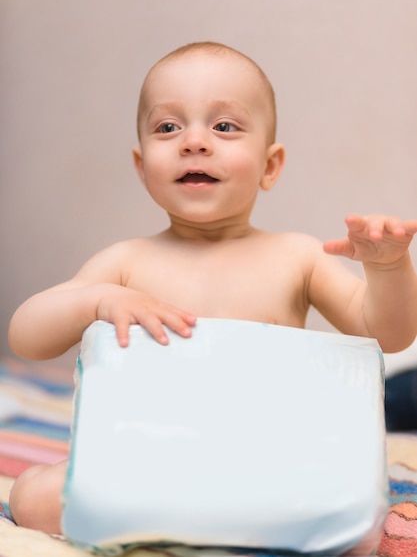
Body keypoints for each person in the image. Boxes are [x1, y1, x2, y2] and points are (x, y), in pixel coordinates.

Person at [8, 41, 417, 534]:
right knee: (31, 495)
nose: (194, 142)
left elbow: (388, 334)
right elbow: (26, 337)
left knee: (356, 511)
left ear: (270, 165)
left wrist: (390, 269)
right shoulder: (125, 262)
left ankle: (239, 521)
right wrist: (97, 300)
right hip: (146, 464)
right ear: (142, 168)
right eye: (168, 127)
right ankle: (185, 520)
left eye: (224, 126)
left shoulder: (297, 256)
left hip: (269, 466)